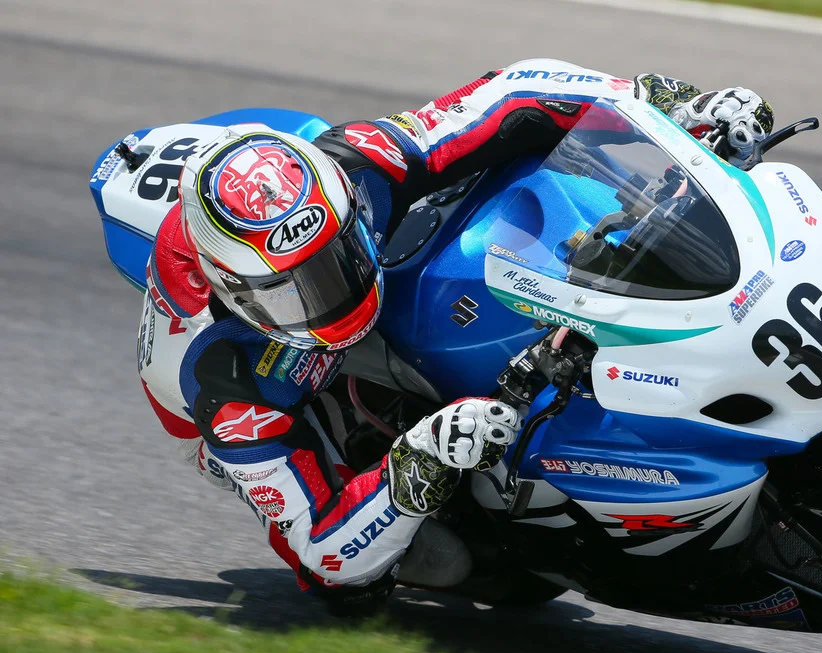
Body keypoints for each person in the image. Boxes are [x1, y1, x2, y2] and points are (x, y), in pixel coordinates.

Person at [136, 59, 774, 616]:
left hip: (385, 256)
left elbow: (516, 92)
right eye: (292, 289)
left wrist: (661, 103)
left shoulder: (357, 165)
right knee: (431, 567)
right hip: (260, 391)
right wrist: (422, 461)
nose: (331, 292)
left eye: (336, 259)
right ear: (235, 289)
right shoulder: (222, 379)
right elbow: (324, 558)